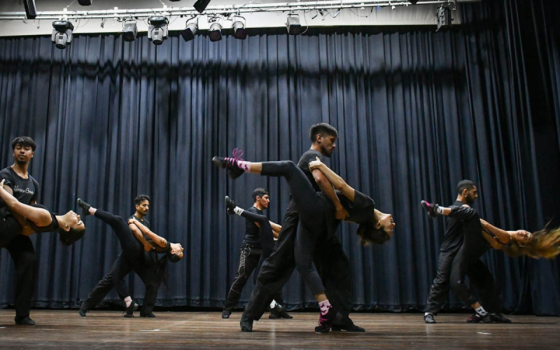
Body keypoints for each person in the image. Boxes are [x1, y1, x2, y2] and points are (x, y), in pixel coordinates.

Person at [213, 150, 394, 332]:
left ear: (378, 224)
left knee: (288, 167)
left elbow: (338, 185)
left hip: (316, 215)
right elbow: (341, 211)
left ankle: (238, 166)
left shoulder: (367, 206)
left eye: (389, 226)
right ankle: (329, 314)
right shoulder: (363, 215)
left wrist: (321, 167)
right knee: (301, 263)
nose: (392, 223)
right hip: (315, 221)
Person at [421, 199, 560, 323]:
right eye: (527, 233)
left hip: (469, 250)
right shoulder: (506, 237)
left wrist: (468, 218)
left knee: (472, 214)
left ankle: (437, 209)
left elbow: (485, 225)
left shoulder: (505, 238)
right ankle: (490, 312)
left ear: (521, 243)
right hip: (471, 254)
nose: (524, 233)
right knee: (486, 282)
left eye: (525, 238)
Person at [77, 198, 183, 318]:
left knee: (152, 282)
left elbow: (143, 234)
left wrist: (144, 242)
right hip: (130, 252)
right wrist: (144, 242)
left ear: (173, 251)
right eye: (144, 205)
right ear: (137, 207)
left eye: (147, 205)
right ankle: (89, 305)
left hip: (138, 254)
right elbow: (135, 231)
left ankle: (144, 310)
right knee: (112, 278)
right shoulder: (138, 220)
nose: (147, 208)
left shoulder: (163, 242)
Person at [222, 189, 291, 320]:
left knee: (268, 279)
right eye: (266, 197)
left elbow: (272, 229)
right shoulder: (253, 212)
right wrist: (282, 235)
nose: (268, 200)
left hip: (261, 250)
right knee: (241, 278)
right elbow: (268, 229)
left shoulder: (258, 214)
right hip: (250, 250)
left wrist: (283, 235)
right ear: (258, 198)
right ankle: (227, 309)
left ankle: (277, 308)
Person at [422, 180, 479, 324]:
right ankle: (429, 312)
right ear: (465, 192)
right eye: (474, 192)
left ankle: (482, 311)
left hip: (462, 250)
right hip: (448, 250)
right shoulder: (458, 208)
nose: (477, 195)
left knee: (462, 281)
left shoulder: (463, 209)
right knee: (442, 280)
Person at [0, 136, 41, 325]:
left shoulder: (34, 184)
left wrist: (29, 227)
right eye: (18, 148)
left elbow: (32, 210)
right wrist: (25, 225)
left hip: (19, 230)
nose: (22, 151)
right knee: (14, 222)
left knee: (29, 260)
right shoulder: (5, 174)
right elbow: (12, 205)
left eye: (26, 148)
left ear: (32, 154)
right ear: (13, 152)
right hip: (4, 223)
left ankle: (22, 314)